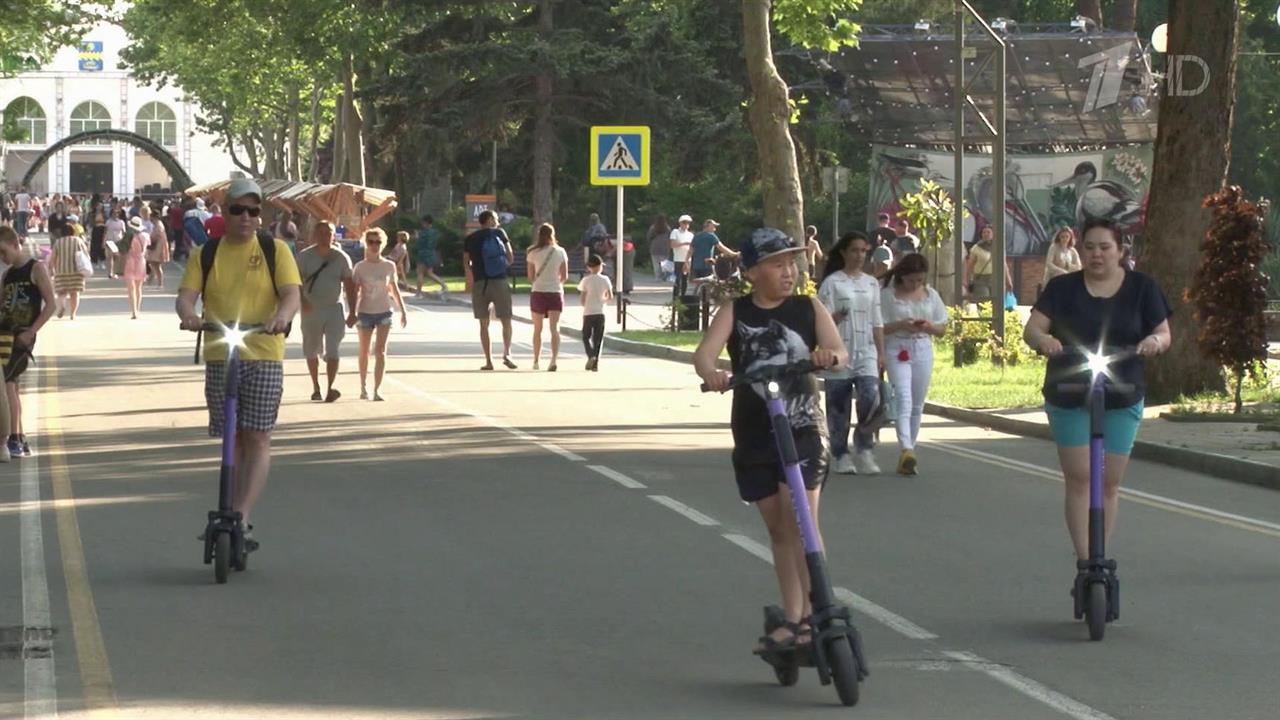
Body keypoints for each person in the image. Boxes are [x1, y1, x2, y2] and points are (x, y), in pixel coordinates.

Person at [693, 227, 847, 656]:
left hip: (802, 425)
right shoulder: (735, 310)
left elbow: (838, 350)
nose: (788, 272)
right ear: (752, 271)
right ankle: (794, 611)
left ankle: (807, 614)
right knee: (779, 528)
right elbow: (705, 354)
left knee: (802, 520)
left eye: (792, 263)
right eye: (777, 264)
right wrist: (713, 373)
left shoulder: (807, 307)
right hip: (755, 429)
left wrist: (827, 356)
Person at [1023, 217, 1172, 565]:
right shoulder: (1061, 289)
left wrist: (1153, 342)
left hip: (1123, 389)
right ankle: (1086, 559)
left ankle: (1100, 557)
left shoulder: (1143, 288)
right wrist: (1043, 339)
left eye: (1105, 247)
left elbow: (1164, 332)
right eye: (1089, 247)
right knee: (1080, 477)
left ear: (1120, 251)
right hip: (1069, 388)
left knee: (1108, 481)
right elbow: (1032, 329)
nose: (1096, 254)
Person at [176, 178, 301, 550]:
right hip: (221, 350)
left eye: (253, 211)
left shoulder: (274, 249)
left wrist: (281, 316)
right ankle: (226, 507)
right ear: (225, 211)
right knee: (232, 435)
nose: (246, 218)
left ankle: (242, 516)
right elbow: (186, 297)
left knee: (257, 435)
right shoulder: (207, 253)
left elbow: (292, 293)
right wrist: (189, 315)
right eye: (237, 210)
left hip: (263, 351)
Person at [818, 232, 886, 475]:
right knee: (838, 406)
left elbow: (877, 320)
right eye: (855, 250)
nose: (860, 256)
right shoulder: (832, 283)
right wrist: (836, 317)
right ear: (844, 253)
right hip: (838, 349)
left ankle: (864, 447)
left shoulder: (871, 283)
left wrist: (881, 353)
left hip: (866, 349)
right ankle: (840, 454)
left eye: (864, 251)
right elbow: (821, 319)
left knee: (871, 396)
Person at [880, 253, 948, 475]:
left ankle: (910, 453)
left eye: (920, 280)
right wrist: (900, 324)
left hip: (922, 348)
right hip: (897, 347)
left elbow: (942, 329)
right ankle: (906, 448)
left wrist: (927, 326)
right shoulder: (888, 296)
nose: (916, 284)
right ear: (901, 276)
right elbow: (879, 328)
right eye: (911, 280)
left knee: (917, 403)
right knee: (903, 397)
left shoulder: (931, 295)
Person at [1, 226, 55, 458]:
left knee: (7, 383)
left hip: (22, 335)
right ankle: (19, 436)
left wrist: (32, 331)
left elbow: (51, 304)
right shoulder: (7, 275)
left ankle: (12, 438)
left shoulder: (36, 269)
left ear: (15, 244)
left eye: (4, 252)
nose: (3, 258)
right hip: (5, 335)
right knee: (11, 386)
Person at [297, 220, 356, 403]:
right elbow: (295, 281)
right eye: (321, 232)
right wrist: (303, 301)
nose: (325, 236)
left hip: (334, 309)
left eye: (328, 232)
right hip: (311, 308)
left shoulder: (341, 257)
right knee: (311, 349)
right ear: (315, 235)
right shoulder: (305, 256)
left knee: (333, 349)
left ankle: (331, 387)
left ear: (333, 235)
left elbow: (349, 285)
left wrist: (353, 311)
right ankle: (316, 386)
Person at [349, 227, 408, 401]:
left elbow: (394, 289)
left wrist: (403, 310)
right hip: (365, 312)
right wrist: (352, 313)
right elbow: (354, 292)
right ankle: (363, 386)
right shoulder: (360, 267)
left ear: (383, 244)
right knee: (364, 351)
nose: (374, 245)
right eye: (371, 242)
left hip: (384, 311)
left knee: (380, 351)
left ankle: (377, 389)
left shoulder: (389, 266)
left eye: (378, 242)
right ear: (366, 244)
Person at [464, 210, 517, 370]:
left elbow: (466, 262)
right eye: (495, 218)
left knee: (483, 323)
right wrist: (502, 267)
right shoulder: (500, 233)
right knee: (506, 320)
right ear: (489, 220)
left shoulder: (471, 238)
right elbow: (510, 256)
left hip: (481, 283)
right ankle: (507, 353)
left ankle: (489, 360)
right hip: (500, 281)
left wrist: (472, 279)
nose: (497, 221)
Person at [526, 223, 569, 371]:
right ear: (553, 234)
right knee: (554, 328)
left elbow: (530, 276)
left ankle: (536, 360)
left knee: (537, 328)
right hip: (555, 292)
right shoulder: (560, 252)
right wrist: (556, 283)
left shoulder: (532, 252)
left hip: (538, 292)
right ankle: (553, 360)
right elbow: (565, 276)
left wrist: (539, 281)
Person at [579, 254, 613, 371]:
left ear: (589, 267)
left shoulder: (586, 280)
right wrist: (603, 300)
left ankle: (590, 355)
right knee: (598, 338)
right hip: (601, 312)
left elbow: (582, 299)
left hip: (588, 312)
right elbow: (610, 296)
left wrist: (586, 304)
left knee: (585, 336)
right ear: (600, 267)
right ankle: (596, 362)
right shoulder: (605, 279)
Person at [964, 226, 1013, 304]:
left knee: (997, 306)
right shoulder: (976, 248)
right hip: (981, 280)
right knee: (984, 304)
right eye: (984, 232)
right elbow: (969, 266)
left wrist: (1008, 281)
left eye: (988, 232)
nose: (986, 234)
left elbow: (1004, 264)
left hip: (996, 279)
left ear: (993, 234)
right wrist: (967, 280)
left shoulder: (999, 247)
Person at [49, 223, 89, 320]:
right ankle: (73, 314)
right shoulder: (78, 241)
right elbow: (86, 255)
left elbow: (53, 258)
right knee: (74, 293)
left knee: (61, 293)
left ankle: (62, 306)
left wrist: (51, 269)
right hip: (76, 272)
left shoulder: (58, 242)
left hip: (61, 271)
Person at [122, 216, 149, 319]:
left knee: (131, 288)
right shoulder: (146, 236)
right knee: (138, 288)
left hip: (131, 260)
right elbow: (147, 249)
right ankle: (137, 309)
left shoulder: (128, 237)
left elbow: (123, 249)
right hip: (141, 261)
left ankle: (133, 311)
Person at [414, 215, 448, 297]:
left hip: (423, 253)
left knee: (420, 273)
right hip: (431, 253)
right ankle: (444, 285)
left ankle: (418, 293)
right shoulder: (435, 232)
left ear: (425, 222)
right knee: (429, 273)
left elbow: (419, 243)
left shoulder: (422, 233)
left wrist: (417, 237)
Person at [669, 214, 695, 297]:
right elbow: (672, 244)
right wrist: (684, 243)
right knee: (677, 279)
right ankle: (675, 297)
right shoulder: (675, 232)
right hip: (678, 259)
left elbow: (692, 247)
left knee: (685, 279)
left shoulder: (691, 235)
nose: (686, 225)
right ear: (680, 223)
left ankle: (683, 296)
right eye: (684, 222)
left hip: (687, 260)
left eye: (688, 223)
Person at [147, 215, 171, 288]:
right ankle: (152, 278)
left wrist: (149, 238)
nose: (150, 219)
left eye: (151, 218)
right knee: (152, 263)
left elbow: (156, 236)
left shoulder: (159, 225)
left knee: (157, 265)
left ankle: (160, 283)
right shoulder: (156, 224)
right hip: (157, 246)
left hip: (158, 246)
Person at [648, 214, 671, 280]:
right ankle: (664, 277)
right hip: (665, 248)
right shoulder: (668, 228)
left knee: (656, 264)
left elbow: (649, 237)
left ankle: (657, 277)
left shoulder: (653, 228)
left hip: (655, 247)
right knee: (664, 263)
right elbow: (671, 237)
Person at [104, 208, 125, 279]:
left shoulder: (121, 222)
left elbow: (123, 232)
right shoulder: (108, 222)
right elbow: (105, 232)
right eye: (114, 213)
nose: (115, 214)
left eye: (117, 213)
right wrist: (103, 241)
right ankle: (110, 272)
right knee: (110, 257)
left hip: (118, 240)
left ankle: (115, 272)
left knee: (117, 257)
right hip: (110, 240)